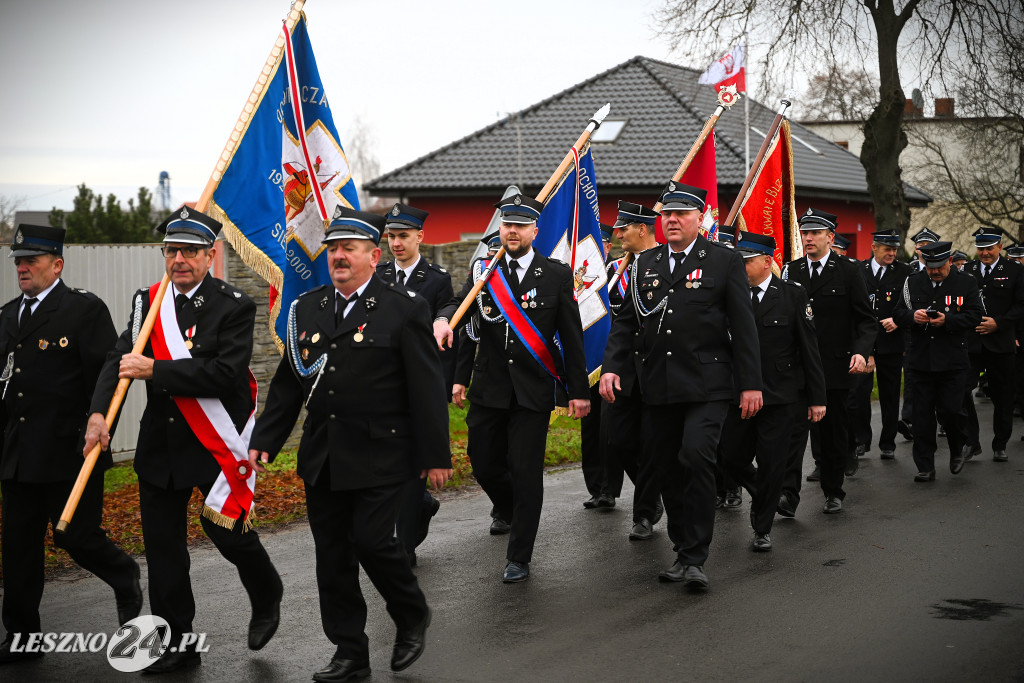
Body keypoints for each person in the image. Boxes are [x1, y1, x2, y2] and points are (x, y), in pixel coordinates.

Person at [248, 207, 452, 681]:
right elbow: (288, 384)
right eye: (333, 248)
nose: (338, 256)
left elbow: (425, 387)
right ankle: (350, 652)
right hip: (324, 457)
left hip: (386, 453)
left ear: (372, 255)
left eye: (350, 248)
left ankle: (410, 613)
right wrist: (266, 439)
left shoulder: (404, 308)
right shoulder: (309, 309)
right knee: (333, 558)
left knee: (376, 543)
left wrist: (435, 454)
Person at [84, 206, 282, 674]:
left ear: (210, 255)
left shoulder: (233, 304)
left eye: (190, 251)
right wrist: (96, 412)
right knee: (163, 549)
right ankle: (177, 641)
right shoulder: (148, 301)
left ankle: (266, 588)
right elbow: (119, 358)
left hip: (212, 443)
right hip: (161, 446)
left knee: (226, 533)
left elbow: (223, 373)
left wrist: (155, 369)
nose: (179, 260)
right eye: (172, 251)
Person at [600, 181, 762, 589]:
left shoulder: (723, 261)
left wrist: (750, 384)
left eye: (681, 214)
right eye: (666, 215)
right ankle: (681, 546)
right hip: (660, 385)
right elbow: (625, 322)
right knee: (665, 467)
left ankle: (695, 557)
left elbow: (744, 328)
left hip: (709, 384)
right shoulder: (645, 263)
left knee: (696, 456)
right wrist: (612, 367)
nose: (672, 220)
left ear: (698, 219)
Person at [0, 225, 141, 664]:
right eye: (18, 261)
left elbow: (107, 376)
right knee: (18, 546)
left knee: (76, 539)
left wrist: (100, 426)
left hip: (69, 453)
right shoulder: (6, 316)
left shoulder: (82, 310)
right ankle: (24, 637)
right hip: (19, 454)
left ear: (56, 264)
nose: (22, 267)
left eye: (32, 261)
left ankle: (123, 574)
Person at [434, 193, 590, 584]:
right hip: (489, 389)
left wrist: (578, 390)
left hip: (531, 393)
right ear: (500, 228)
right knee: (483, 461)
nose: (512, 231)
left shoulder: (555, 274)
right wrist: (442, 319)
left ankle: (519, 555)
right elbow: (459, 305)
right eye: (507, 225)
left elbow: (571, 338)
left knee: (525, 471)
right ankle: (510, 509)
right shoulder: (484, 271)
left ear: (534, 230)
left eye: (520, 226)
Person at [719, 232, 826, 551]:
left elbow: (809, 348)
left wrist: (817, 398)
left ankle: (761, 527)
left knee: (772, 461)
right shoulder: (728, 295)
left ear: (767, 262)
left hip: (779, 396)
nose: (740, 267)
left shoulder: (792, 295)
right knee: (730, 456)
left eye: (746, 262)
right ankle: (761, 489)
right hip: (738, 394)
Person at [779, 208, 875, 516]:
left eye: (815, 233)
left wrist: (861, 351)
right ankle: (788, 496)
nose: (808, 238)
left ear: (829, 237)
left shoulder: (848, 270)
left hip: (834, 368)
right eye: (805, 233)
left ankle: (833, 491)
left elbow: (865, 320)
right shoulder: (790, 272)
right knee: (793, 437)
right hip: (797, 368)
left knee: (833, 435)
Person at [375, 203, 454, 567]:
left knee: (412, 468)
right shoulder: (377, 275)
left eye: (403, 236)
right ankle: (420, 505)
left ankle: (404, 547)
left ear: (419, 237)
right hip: (385, 387)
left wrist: (441, 317)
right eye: (391, 236)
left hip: (419, 388)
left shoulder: (435, 278)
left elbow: (450, 305)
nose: (396, 243)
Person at [600, 202, 664, 539]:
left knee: (652, 442)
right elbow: (617, 322)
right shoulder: (616, 269)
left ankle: (644, 513)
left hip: (658, 368)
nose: (618, 233)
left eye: (624, 228)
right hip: (624, 368)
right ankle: (652, 489)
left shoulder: (667, 261)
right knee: (620, 441)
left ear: (642, 229)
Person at [892, 241, 983, 480]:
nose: (934, 271)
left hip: (952, 360)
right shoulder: (913, 282)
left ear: (950, 262)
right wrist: (914, 316)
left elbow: (976, 316)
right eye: (930, 266)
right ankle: (925, 466)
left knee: (951, 411)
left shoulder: (966, 282)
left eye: (939, 266)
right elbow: (899, 314)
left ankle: (957, 449)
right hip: (921, 360)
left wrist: (949, 320)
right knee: (922, 417)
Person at [961, 227, 1024, 462]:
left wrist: (999, 323)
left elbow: (1021, 305)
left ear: (999, 247)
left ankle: (1000, 443)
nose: (984, 253)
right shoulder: (967, 270)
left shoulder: (1015, 271)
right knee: (961, 389)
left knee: (1003, 396)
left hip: (1001, 343)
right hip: (972, 342)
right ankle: (971, 440)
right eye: (981, 249)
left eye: (989, 248)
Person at [850, 229, 912, 460]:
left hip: (891, 342)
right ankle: (861, 440)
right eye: (888, 249)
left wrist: (899, 320)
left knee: (890, 393)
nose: (892, 253)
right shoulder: (858, 270)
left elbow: (911, 303)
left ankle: (888, 442)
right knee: (860, 393)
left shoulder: (905, 272)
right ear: (874, 248)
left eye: (895, 249)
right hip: (864, 343)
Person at [580, 223, 616, 509]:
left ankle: (610, 487)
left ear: (608, 246)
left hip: (614, 363)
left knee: (611, 430)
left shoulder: (619, 273)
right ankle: (597, 488)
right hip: (587, 361)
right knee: (590, 429)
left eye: (603, 243)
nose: (600, 248)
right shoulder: (579, 277)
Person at [898, 227, 943, 441]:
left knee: (939, 380)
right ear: (915, 249)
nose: (923, 249)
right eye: (920, 246)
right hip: (913, 333)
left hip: (940, 335)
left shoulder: (946, 270)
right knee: (913, 379)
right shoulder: (908, 271)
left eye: (928, 245)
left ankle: (941, 419)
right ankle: (909, 419)